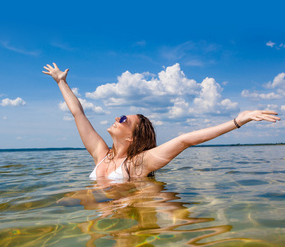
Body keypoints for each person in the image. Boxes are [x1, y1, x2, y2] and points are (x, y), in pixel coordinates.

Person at [43, 63, 281, 179]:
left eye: (124, 119)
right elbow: (79, 114)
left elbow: (185, 140)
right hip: (105, 211)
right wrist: (60, 82)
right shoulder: (100, 154)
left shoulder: (139, 163)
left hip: (125, 211)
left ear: (132, 137)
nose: (117, 117)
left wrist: (237, 121)